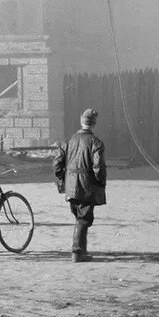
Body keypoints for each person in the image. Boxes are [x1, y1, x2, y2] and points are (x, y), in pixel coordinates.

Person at [54, 108, 107, 262]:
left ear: (81, 122)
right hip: (87, 185)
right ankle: (77, 251)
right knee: (84, 218)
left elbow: (57, 164)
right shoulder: (96, 143)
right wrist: (100, 182)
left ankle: (81, 249)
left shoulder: (68, 141)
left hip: (71, 186)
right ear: (94, 124)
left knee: (79, 216)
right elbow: (99, 167)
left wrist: (62, 181)